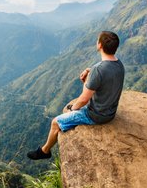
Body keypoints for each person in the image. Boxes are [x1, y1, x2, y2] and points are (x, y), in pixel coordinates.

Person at [27, 31, 125, 160]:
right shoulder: (119, 65)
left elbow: (84, 98)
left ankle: (44, 151)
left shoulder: (98, 69)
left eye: (97, 41)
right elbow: (106, 78)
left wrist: (73, 108)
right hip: (111, 112)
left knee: (55, 122)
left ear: (100, 45)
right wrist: (91, 73)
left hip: (96, 115)